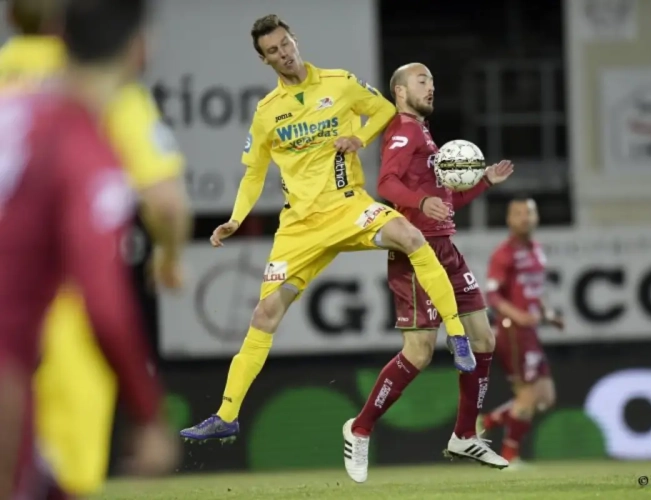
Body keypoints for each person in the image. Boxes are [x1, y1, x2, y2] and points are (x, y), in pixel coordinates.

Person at [180, 15, 477, 443]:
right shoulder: (266, 113)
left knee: (411, 237)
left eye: (285, 44)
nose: (283, 54)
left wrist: (359, 138)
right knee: (264, 314)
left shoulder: (340, 83)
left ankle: (456, 334)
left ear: (294, 40)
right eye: (273, 51)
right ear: (265, 60)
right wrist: (236, 219)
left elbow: (383, 110)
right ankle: (226, 416)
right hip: (299, 227)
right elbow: (254, 173)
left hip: (348, 207)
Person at [0, 0, 191, 495]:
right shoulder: (96, 103)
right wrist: (169, 258)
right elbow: (166, 202)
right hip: (53, 329)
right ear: (139, 48)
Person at [342, 63, 513, 483]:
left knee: (484, 338)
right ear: (400, 92)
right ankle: (359, 429)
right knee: (419, 353)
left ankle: (464, 434)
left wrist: (484, 182)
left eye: (433, 81)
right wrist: (419, 203)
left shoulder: (425, 133)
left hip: (446, 249)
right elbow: (386, 184)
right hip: (417, 253)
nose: (431, 87)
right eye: (422, 81)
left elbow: (446, 205)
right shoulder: (405, 129)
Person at [476, 197, 564, 465]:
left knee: (546, 398)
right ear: (509, 219)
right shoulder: (504, 253)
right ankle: (509, 457)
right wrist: (519, 316)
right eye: (518, 213)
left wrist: (549, 315)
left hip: (530, 331)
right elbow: (493, 296)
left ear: (536, 217)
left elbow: (535, 291)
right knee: (527, 397)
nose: (525, 218)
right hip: (512, 331)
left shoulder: (537, 249)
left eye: (529, 213)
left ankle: (487, 421)